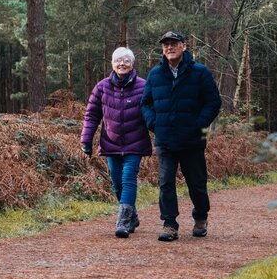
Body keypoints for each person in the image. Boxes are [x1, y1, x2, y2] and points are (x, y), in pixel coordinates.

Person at [141, 31, 222, 242]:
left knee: (196, 183)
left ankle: (201, 217)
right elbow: (146, 103)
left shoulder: (200, 72)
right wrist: (153, 123)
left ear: (184, 46)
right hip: (165, 139)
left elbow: (213, 102)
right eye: (166, 44)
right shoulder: (155, 74)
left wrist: (198, 124)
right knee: (166, 182)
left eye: (174, 43)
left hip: (192, 139)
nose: (169, 47)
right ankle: (169, 224)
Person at [81, 47, 152, 238]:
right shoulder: (102, 87)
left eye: (126, 60)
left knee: (128, 178)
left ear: (132, 64)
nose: (122, 63)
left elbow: (152, 114)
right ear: (112, 64)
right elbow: (91, 115)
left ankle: (122, 222)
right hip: (111, 143)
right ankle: (132, 216)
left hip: (135, 143)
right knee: (116, 183)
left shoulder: (144, 87)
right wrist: (86, 140)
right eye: (118, 60)